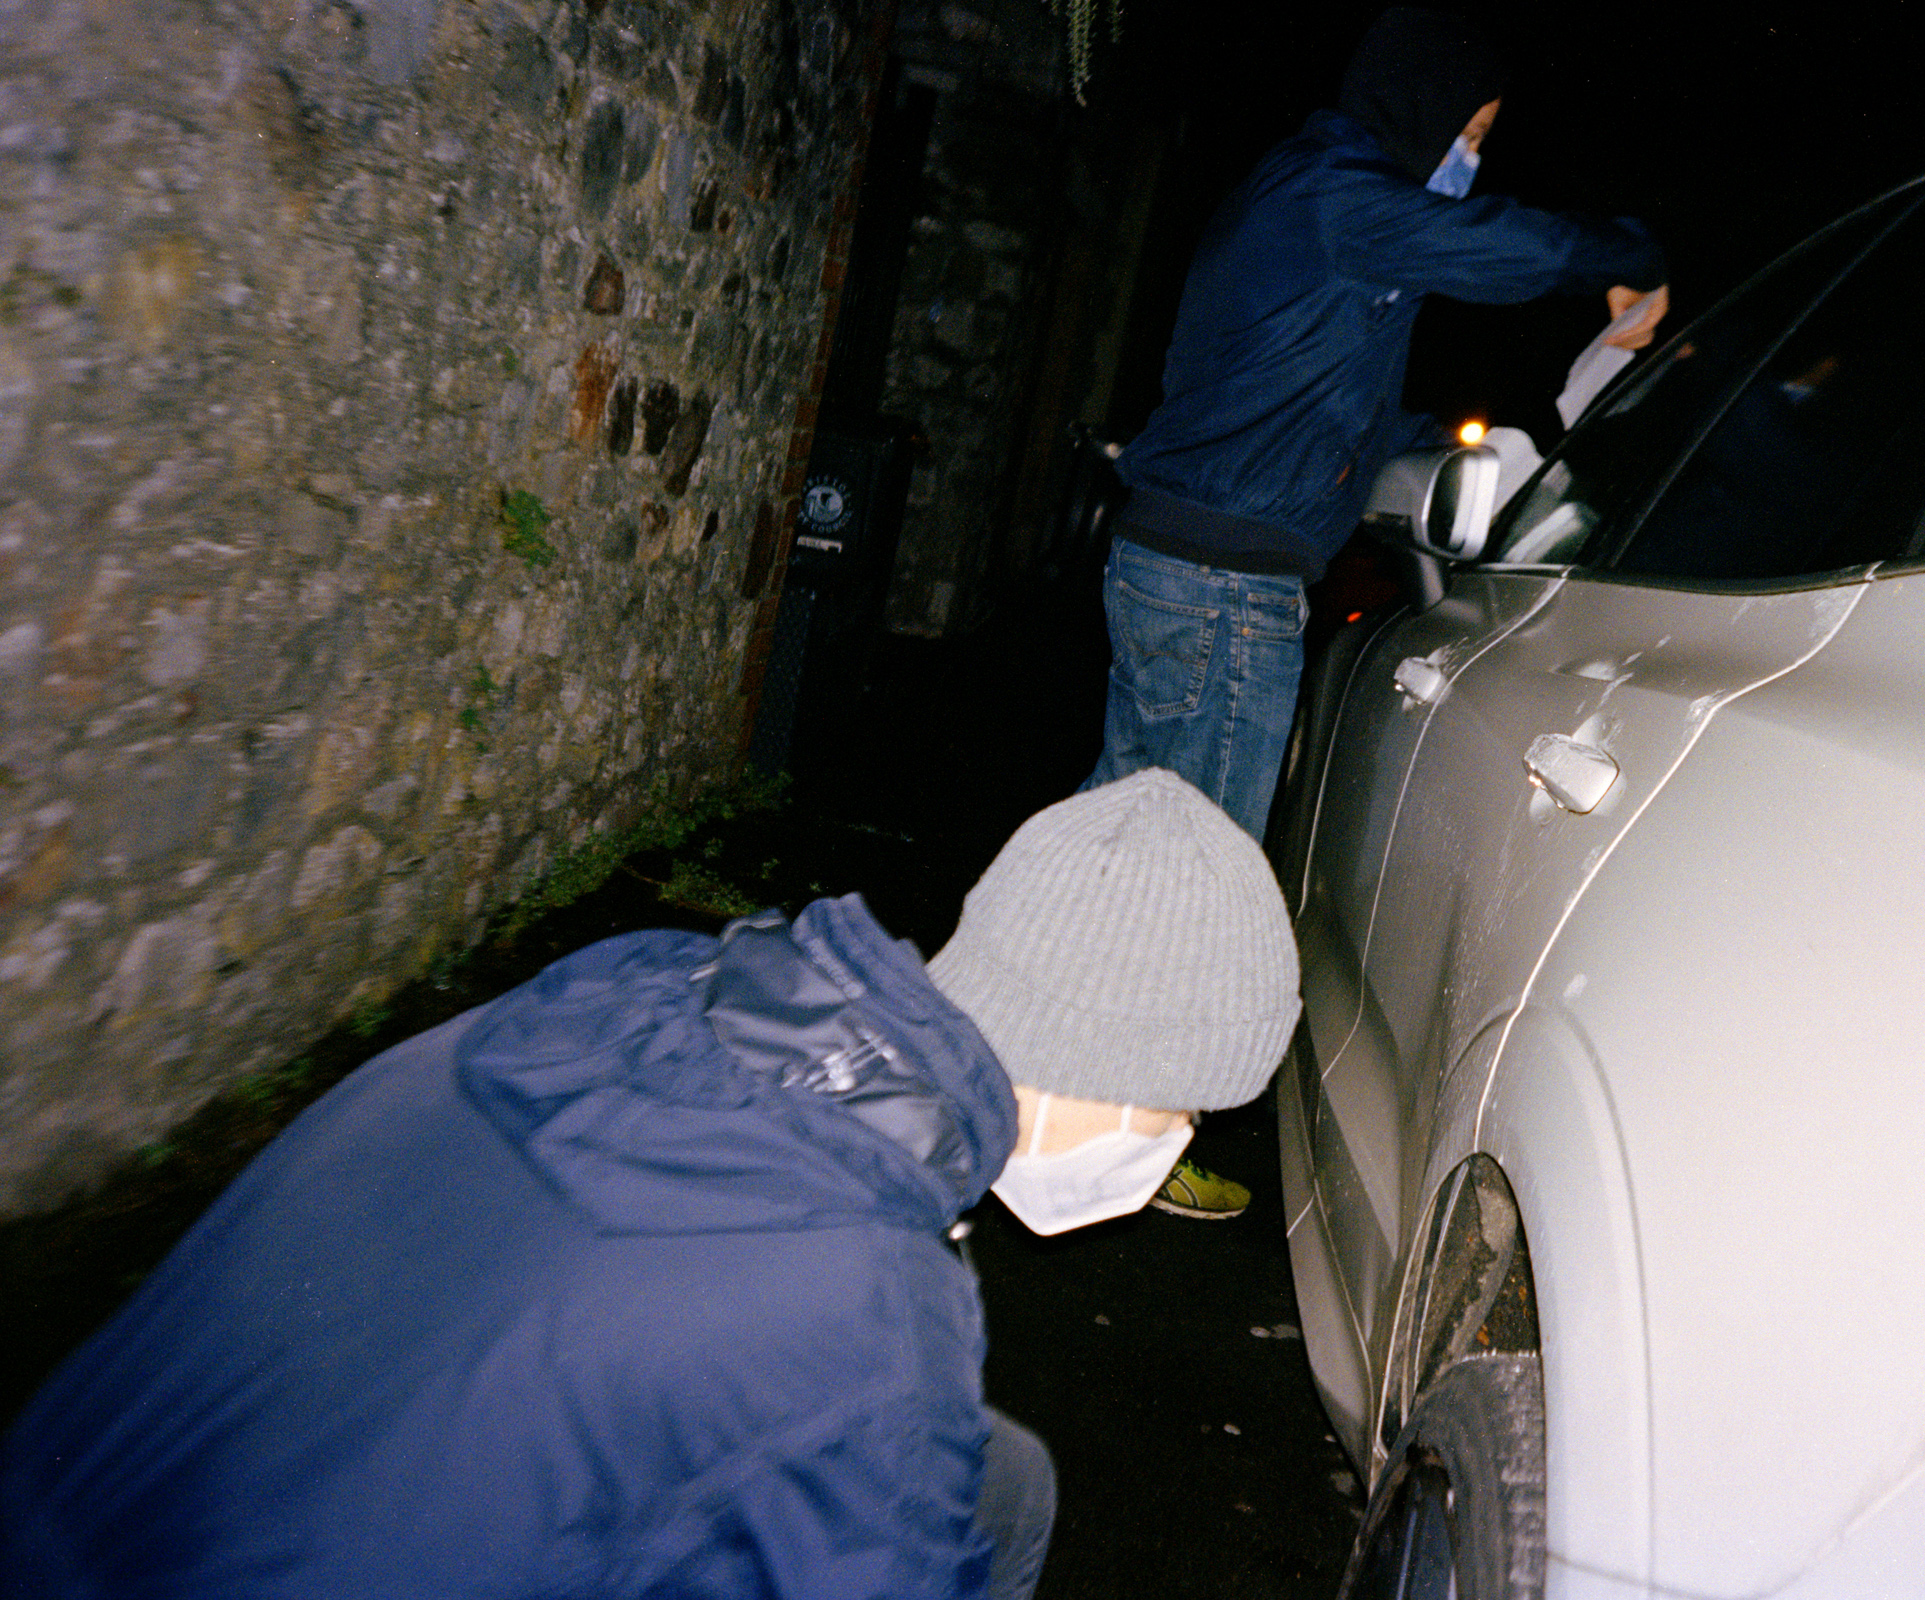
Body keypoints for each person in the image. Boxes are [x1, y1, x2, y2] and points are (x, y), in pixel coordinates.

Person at [0, 770, 1298, 1600]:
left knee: (990, 1474)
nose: (1171, 1146)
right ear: (1106, 1071)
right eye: (1181, 1111)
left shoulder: (645, 983)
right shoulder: (866, 1306)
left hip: (71, 1519)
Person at [1085, 4, 1667, 1220]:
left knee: (1126, 848)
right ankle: (1125, 1140)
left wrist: (1455, 444)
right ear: (1418, 106)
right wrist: (1623, 250)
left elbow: (1323, 416)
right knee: (1195, 872)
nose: (1471, 157)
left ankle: (1046, 1080)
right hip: (1223, 590)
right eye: (1471, 130)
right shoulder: (1337, 196)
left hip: (1175, 560)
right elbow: (1503, 248)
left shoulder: (1317, 213)